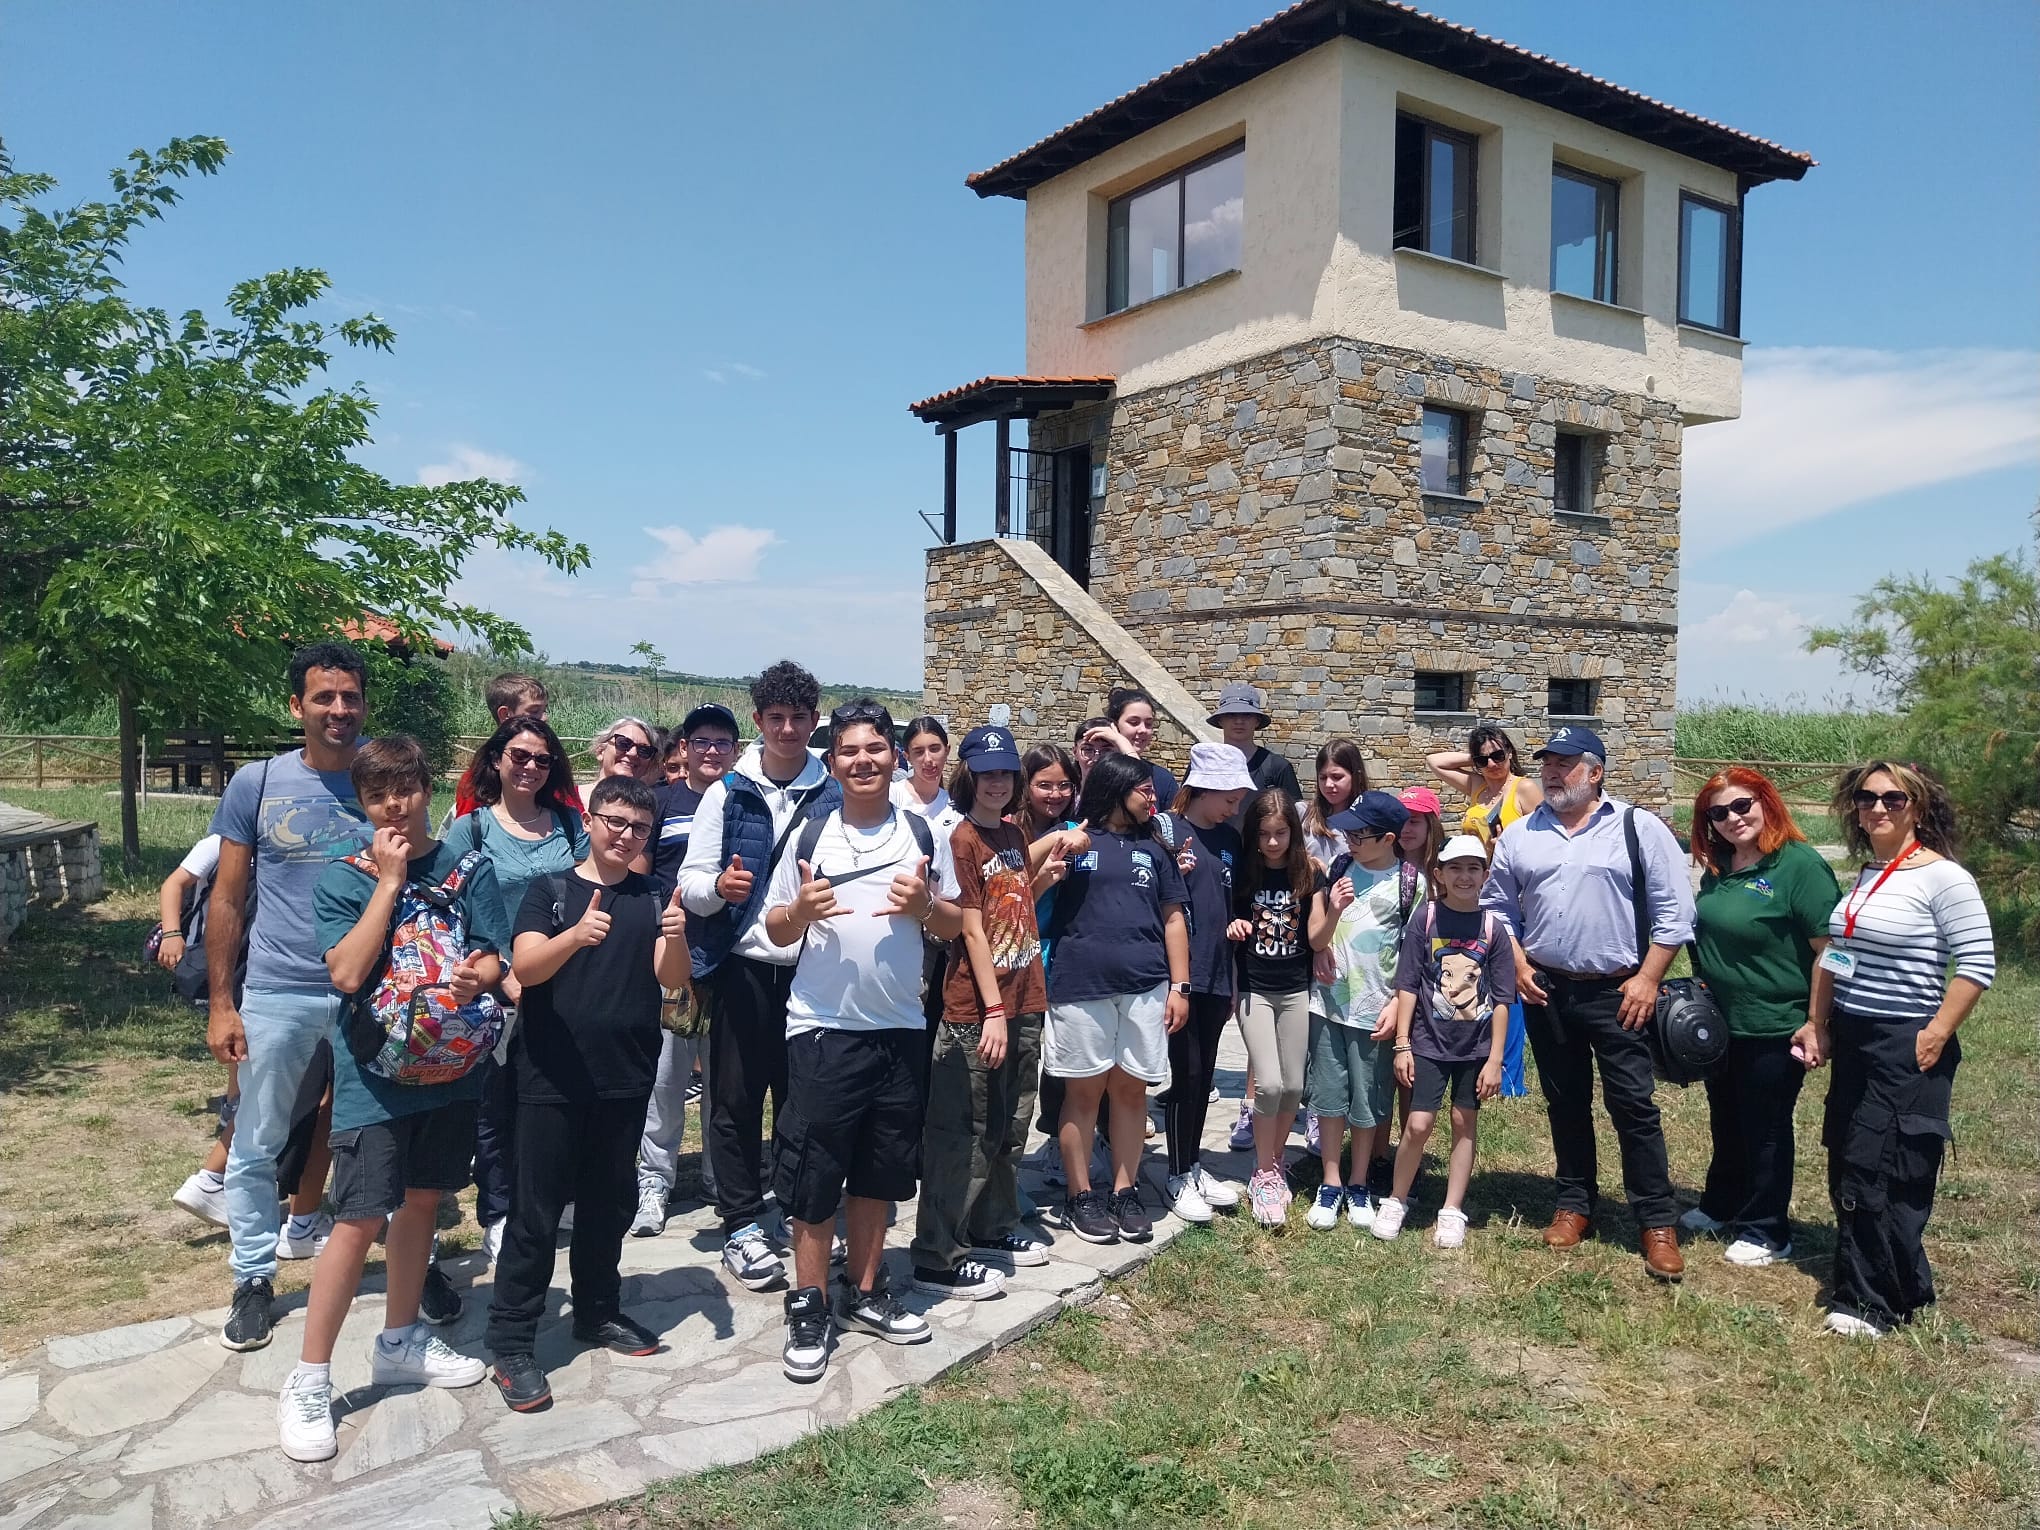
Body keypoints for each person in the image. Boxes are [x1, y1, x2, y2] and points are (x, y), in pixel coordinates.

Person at [277, 735, 504, 1461]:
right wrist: (389, 882)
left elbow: (493, 956)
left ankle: (400, 1339)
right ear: (362, 804)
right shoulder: (345, 878)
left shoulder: (470, 868)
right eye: (377, 796)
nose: (394, 807)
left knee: (424, 1201)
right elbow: (346, 973)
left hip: (452, 1066)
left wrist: (477, 974)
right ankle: (310, 1377)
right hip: (375, 1078)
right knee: (358, 1217)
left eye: (404, 790)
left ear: (427, 788)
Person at [759, 699, 962, 1381]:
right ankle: (810, 1303)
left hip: (900, 1028)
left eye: (875, 748)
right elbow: (773, 929)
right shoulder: (810, 835)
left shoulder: (921, 833)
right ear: (832, 762)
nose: (863, 760)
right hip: (824, 1029)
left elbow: (955, 924)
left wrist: (926, 907)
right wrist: (799, 910)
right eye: (848, 750)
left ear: (894, 756)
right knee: (814, 1175)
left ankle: (866, 1290)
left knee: (880, 1170)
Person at [488, 775, 691, 1411]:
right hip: (550, 1078)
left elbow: (672, 979)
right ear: (592, 821)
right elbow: (525, 968)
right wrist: (574, 935)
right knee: (536, 1214)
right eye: (615, 822)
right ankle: (511, 1341)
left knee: (609, 1204)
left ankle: (597, 1310)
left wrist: (677, 935)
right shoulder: (549, 890)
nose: (625, 836)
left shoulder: (653, 897)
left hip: (625, 1076)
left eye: (639, 828)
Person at [1480, 725, 1694, 1283]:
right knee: (1565, 1101)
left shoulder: (1637, 827)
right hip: (1546, 988)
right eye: (1547, 763)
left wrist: (1648, 979)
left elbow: (1675, 912)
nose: (1552, 772)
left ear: (1595, 772)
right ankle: (1574, 1204)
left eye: (1565, 763)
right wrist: (1518, 965)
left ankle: (1657, 1221)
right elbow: (1498, 908)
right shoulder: (1522, 835)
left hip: (1620, 991)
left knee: (1633, 1105)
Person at [206, 642, 372, 1352]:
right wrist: (222, 1002)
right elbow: (228, 897)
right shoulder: (259, 783)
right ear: (296, 705)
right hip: (278, 989)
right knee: (257, 1138)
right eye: (323, 697)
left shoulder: (382, 778)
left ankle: (412, 1263)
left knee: (382, 1137)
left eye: (350, 696)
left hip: (370, 991)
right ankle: (252, 1276)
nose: (338, 709)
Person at [1795, 763, 1995, 1338]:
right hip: (1855, 1037)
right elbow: (1835, 955)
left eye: (1893, 798)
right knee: (1849, 1157)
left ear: (1919, 806)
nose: (1877, 808)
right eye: (1866, 798)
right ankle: (1900, 1286)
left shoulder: (1945, 878)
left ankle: (1871, 1304)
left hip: (1906, 1040)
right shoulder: (1870, 874)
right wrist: (1818, 1022)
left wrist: (1935, 1033)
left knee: (1884, 1166)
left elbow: (1977, 964)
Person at [679, 660, 841, 1292]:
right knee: (736, 1102)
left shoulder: (832, 793)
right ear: (758, 720)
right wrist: (718, 888)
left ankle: (801, 1211)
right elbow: (691, 884)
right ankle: (742, 1222)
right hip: (744, 969)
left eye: (799, 718)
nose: (788, 729)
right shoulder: (726, 793)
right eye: (777, 718)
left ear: (814, 720)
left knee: (804, 1102)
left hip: (813, 970)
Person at [910, 725, 1064, 1300]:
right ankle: (938, 1254)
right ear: (968, 775)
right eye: (986, 773)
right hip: (977, 1009)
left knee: (1008, 1127)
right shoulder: (962, 839)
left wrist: (1041, 880)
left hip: (1024, 996)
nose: (997, 783)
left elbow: (1011, 910)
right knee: (963, 1135)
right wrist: (993, 1009)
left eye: (1005, 773)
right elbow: (971, 930)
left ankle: (991, 1226)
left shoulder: (1013, 834)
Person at [1682, 768, 1840, 1267]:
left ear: (1766, 803)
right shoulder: (1721, 866)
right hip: (1720, 1023)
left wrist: (1817, 1022)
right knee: (1726, 1115)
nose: (1733, 818)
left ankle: (1767, 1229)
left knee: (1765, 1125)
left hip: (1777, 1022)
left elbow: (1831, 951)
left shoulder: (1799, 865)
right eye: (1718, 812)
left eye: (1742, 805)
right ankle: (1722, 1202)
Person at [449, 717, 589, 1265]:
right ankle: (499, 1211)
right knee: (497, 1108)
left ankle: (560, 1195)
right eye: (520, 756)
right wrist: (503, 969)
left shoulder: (568, 823)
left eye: (542, 759)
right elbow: (452, 908)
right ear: (497, 760)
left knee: (558, 1097)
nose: (531, 766)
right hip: (498, 988)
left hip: (563, 984)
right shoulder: (473, 828)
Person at [1042, 751, 1190, 1245]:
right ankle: (1081, 1195)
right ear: (1115, 789)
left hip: (1146, 985)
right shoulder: (1072, 838)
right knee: (1083, 1095)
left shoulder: (1156, 848)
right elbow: (1028, 891)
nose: (1152, 798)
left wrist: (1180, 986)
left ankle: (1126, 1191)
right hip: (1080, 985)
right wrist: (1057, 856)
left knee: (1131, 1092)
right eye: (1143, 790)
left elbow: (1173, 919)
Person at [1373, 835, 1515, 1247]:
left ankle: (1452, 1208)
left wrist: (1495, 1060)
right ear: (1439, 874)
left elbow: (1502, 1000)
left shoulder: (1493, 929)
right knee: (1418, 1123)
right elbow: (1407, 984)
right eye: (1455, 868)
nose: (1464, 876)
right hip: (1428, 1042)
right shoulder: (1426, 919)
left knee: (1463, 1121)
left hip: (1475, 1047)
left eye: (1473, 868)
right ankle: (1396, 1198)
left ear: (1486, 876)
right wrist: (1402, 1043)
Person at [632, 703, 741, 1235]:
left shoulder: (745, 803)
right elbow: (638, 875)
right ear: (684, 749)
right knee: (667, 1078)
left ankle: (722, 1178)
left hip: (732, 960)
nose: (712, 751)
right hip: (676, 958)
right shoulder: (663, 803)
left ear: (736, 751)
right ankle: (654, 1181)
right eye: (702, 741)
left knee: (726, 1080)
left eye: (722, 742)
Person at [1304, 791, 1419, 1228]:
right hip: (1328, 1005)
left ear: (1388, 838)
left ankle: (1359, 1181)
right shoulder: (1338, 870)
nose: (1349, 840)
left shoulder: (1411, 884)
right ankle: (1330, 1181)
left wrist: (1398, 1004)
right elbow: (1316, 938)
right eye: (1347, 833)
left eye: (1358, 834)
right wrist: (1333, 911)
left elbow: (1415, 956)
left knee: (1368, 1099)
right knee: (1329, 1096)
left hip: (1376, 1011)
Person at [1230, 788, 1333, 1228]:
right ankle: (1263, 1171)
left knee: (1293, 1086)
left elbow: (1316, 937)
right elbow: (1225, 919)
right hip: (1254, 990)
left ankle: (1273, 1164)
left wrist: (1334, 909)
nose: (1272, 842)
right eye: (1264, 834)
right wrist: (1233, 926)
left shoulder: (1309, 872)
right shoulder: (1242, 872)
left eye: (1280, 833)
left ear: (1293, 832)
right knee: (1269, 1084)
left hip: (1295, 991)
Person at [1160, 743, 1253, 1223]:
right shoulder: (1166, 831)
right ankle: (1176, 1174)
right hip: (1180, 977)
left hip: (1218, 972)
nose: (1234, 809)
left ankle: (1193, 1164)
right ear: (1205, 789)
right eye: (1230, 799)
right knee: (1186, 1075)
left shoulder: (1230, 839)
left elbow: (1230, 905)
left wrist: (1234, 960)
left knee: (1205, 1075)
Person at [1016, 743, 1084, 1190]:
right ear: (1026, 785)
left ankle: (1060, 1142)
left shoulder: (1079, 830)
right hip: (1022, 956)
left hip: (1066, 956)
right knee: (1023, 1062)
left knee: (1064, 1061)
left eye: (1064, 785)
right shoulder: (1009, 831)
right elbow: (1007, 896)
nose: (1055, 794)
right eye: (1044, 785)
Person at [450, 673, 581, 818]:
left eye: (544, 710)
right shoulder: (475, 780)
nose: (544, 718)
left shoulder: (551, 767)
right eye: (534, 711)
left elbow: (568, 814)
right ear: (505, 714)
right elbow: (467, 825)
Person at [1427, 723, 1543, 848]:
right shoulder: (1477, 785)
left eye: (1498, 756)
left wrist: (1505, 847)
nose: (1491, 764)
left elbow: (1544, 836)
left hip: (1508, 859)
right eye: (1482, 760)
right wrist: (1477, 757)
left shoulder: (1524, 788)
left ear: (1509, 753)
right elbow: (1434, 761)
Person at [1208, 682, 1302, 812]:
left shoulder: (1278, 768)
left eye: (1246, 715)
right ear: (1220, 720)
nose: (1239, 721)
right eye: (1231, 714)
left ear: (1257, 720)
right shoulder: (1205, 765)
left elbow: (1295, 817)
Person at [1301, 738, 1369, 870]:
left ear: (1357, 776)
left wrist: (1328, 874)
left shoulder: (1369, 821)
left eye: (1337, 777)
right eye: (1323, 777)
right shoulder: (1303, 813)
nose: (1328, 784)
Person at [1106, 687, 1181, 805]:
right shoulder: (1095, 769)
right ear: (1114, 725)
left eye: (1148, 724)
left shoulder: (1162, 779)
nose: (1143, 730)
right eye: (1134, 723)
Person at [590, 716, 662, 786]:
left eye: (643, 750)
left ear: (650, 765)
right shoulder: (582, 794)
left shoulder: (656, 794)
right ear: (600, 751)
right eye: (623, 743)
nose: (633, 753)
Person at [1397, 787, 1445, 876]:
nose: (1404, 830)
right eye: (1400, 821)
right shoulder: (1380, 868)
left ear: (1431, 825)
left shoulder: (1448, 870)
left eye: (1413, 822)